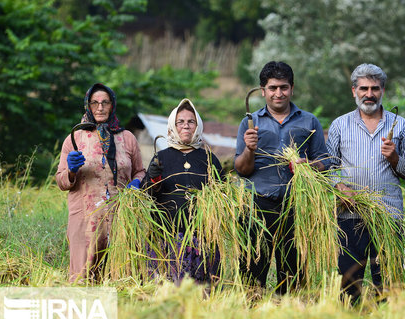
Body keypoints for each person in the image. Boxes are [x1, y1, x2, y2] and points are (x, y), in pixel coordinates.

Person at [235, 61, 330, 294]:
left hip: (295, 206)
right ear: (263, 90)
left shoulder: (309, 122)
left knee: (292, 274)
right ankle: (252, 317)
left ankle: (289, 317)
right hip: (256, 206)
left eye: (284, 87)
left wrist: (309, 166)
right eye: (273, 88)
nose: (279, 93)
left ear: (292, 88)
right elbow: (241, 169)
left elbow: (325, 162)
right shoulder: (250, 123)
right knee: (252, 272)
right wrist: (249, 149)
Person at [327, 63, 405, 303]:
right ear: (353, 90)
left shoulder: (400, 125)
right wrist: (339, 186)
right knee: (349, 281)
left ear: (383, 91)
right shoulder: (340, 125)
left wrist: (394, 157)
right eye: (363, 88)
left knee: (387, 283)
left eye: (374, 88)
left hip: (387, 215)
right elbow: (329, 167)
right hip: (350, 215)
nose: (369, 94)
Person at [56, 83, 145, 282]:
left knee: (118, 277)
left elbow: (140, 171)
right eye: (95, 103)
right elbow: (61, 181)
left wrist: (137, 182)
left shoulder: (127, 138)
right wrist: (70, 171)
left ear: (112, 105)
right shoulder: (74, 138)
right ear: (88, 105)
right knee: (83, 278)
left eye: (105, 103)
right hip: (85, 220)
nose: (100, 108)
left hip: (120, 219)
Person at [143, 98, 223, 286]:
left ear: (198, 126)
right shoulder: (161, 157)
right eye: (181, 122)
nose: (186, 126)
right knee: (167, 293)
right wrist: (153, 178)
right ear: (172, 126)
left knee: (200, 296)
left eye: (191, 121)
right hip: (166, 238)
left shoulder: (208, 159)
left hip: (201, 239)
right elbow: (147, 195)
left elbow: (221, 195)